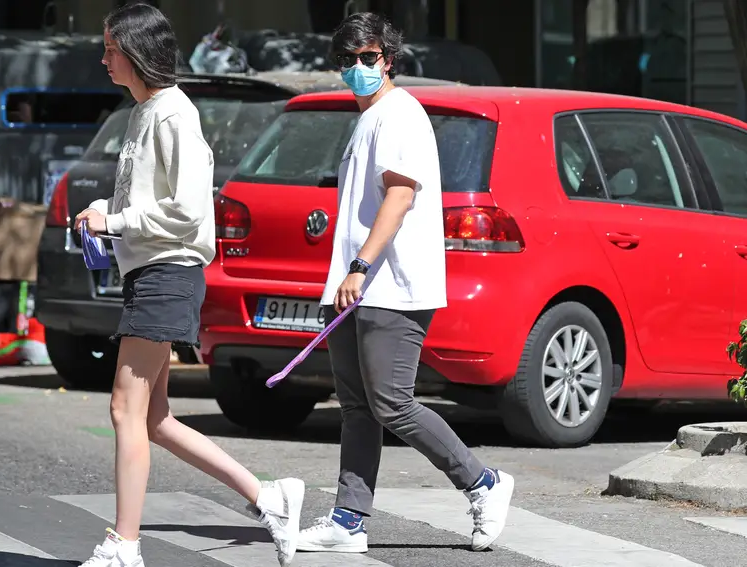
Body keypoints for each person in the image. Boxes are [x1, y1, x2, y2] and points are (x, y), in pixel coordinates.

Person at [72, 3, 303, 567]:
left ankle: (124, 545)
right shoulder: (144, 112)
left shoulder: (174, 113)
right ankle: (268, 497)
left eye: (109, 49)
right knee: (152, 419)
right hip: (153, 274)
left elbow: (189, 209)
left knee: (126, 411)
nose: (103, 59)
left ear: (135, 53)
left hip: (167, 275)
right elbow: (149, 199)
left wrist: (118, 221)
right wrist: (104, 210)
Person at [295, 12, 515, 555]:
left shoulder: (399, 113)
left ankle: (483, 484)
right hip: (357, 288)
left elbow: (399, 196)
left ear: (388, 60)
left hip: (390, 285)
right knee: (356, 407)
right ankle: (349, 519)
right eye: (346, 61)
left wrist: (361, 265)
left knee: (392, 403)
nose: (357, 68)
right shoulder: (368, 118)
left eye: (367, 58)